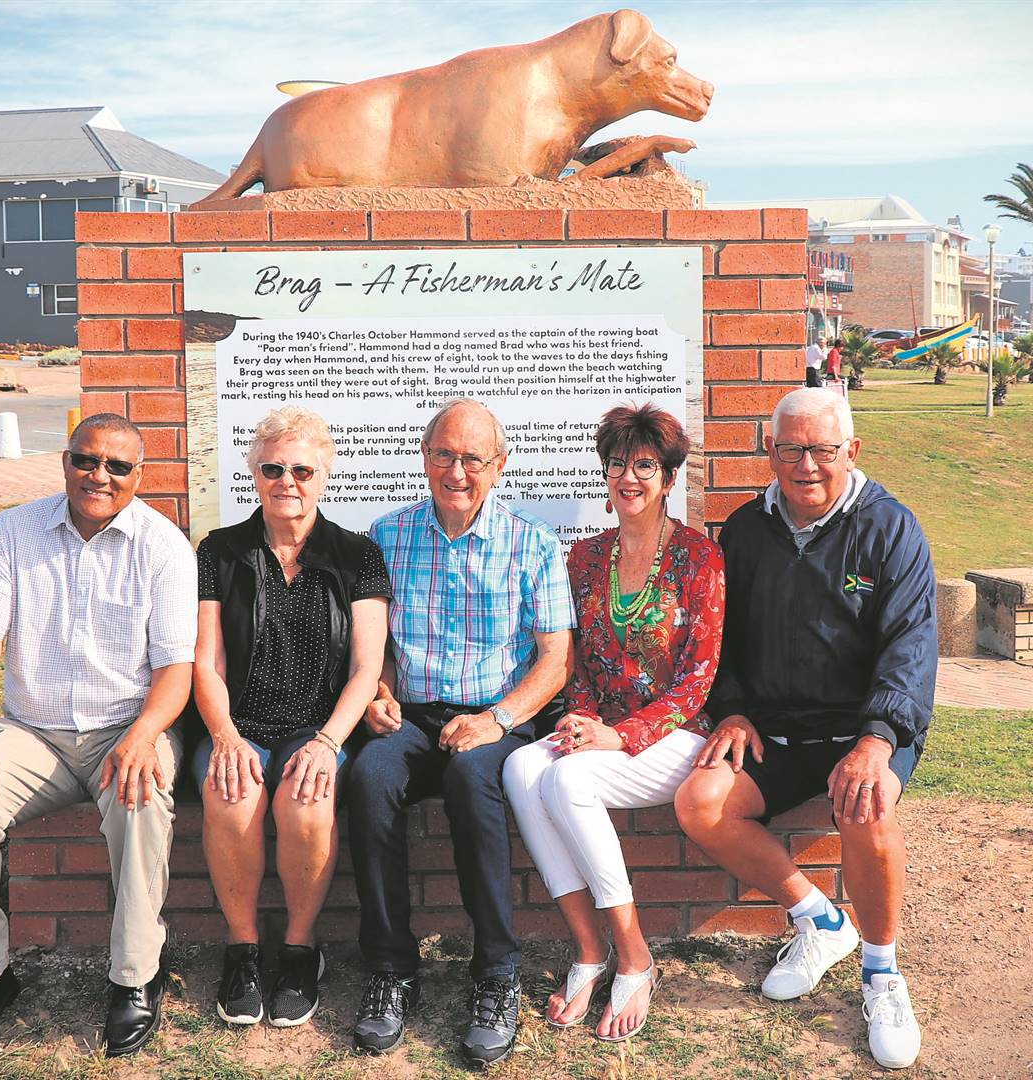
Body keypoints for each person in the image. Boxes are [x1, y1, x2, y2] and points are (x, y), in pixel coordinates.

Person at [674, 387, 936, 1071]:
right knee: (698, 804)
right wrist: (729, 707)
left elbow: (909, 646)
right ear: (770, 453)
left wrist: (876, 742)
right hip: (775, 729)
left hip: (862, 728)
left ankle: (880, 973)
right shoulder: (744, 530)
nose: (806, 464)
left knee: (867, 800)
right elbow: (722, 640)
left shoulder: (889, 528)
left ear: (851, 450)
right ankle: (820, 921)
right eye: (789, 448)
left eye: (821, 448)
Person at [0, 413, 196, 1062]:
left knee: (142, 795)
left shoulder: (164, 547)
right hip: (33, 734)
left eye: (117, 466)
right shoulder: (12, 532)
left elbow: (175, 671)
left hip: (126, 729)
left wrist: (144, 735)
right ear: (65, 459)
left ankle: (135, 978)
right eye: (86, 460)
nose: (98, 476)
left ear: (141, 476)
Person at [342, 398, 575, 1066]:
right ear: (424, 457)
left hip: (497, 717)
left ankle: (495, 973)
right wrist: (379, 691)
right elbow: (374, 644)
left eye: (472, 458)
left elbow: (555, 660)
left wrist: (497, 719)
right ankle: (390, 970)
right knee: (369, 777)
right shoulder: (387, 536)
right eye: (443, 453)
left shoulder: (530, 540)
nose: (456, 470)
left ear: (498, 467)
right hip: (412, 719)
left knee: (476, 782)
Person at [502, 403, 723, 1042]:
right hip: (601, 734)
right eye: (618, 464)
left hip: (677, 736)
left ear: (669, 477)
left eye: (646, 465)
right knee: (522, 767)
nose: (629, 477)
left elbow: (697, 680)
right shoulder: (584, 559)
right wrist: (583, 722)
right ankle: (589, 951)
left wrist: (620, 736)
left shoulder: (698, 558)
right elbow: (581, 668)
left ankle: (634, 956)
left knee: (568, 782)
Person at [191, 406, 391, 1028]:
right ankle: (243, 950)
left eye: (302, 469)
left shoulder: (357, 555)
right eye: (273, 468)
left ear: (325, 475)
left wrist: (329, 741)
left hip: (318, 727)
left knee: (306, 802)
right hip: (239, 722)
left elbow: (366, 667)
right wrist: (224, 736)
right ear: (253, 472)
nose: (288, 482)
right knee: (232, 794)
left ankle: (302, 950)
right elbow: (206, 662)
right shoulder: (220, 551)